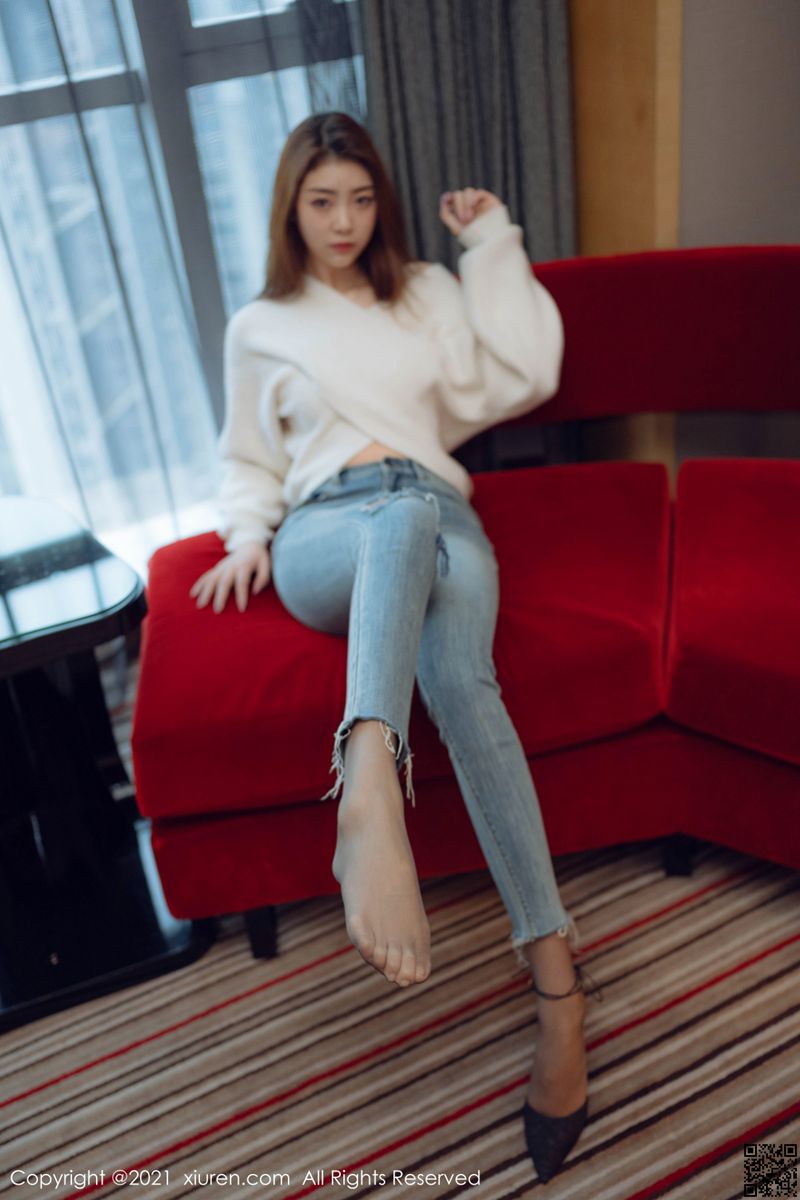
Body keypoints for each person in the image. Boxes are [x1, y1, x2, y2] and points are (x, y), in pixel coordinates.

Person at [190, 111, 597, 1182]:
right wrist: (245, 535)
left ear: (383, 203)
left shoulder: (422, 291)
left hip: (441, 513)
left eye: (361, 199)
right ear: (290, 208)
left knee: (461, 675)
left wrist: (491, 244)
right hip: (330, 529)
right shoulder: (259, 325)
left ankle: (556, 991)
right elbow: (247, 458)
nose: (343, 222)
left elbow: (523, 373)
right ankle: (368, 783)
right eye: (322, 201)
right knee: (393, 517)